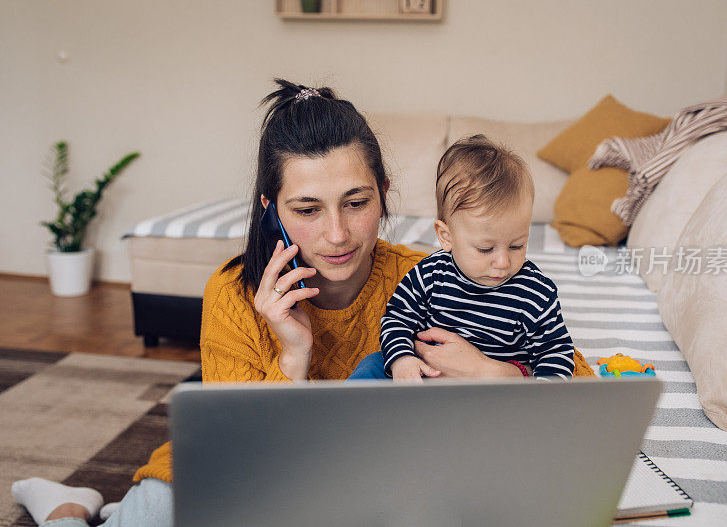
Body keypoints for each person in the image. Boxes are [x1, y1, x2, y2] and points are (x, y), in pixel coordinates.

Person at [11, 80, 594, 526]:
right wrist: (292, 356)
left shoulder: (435, 276)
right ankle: (69, 506)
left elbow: (585, 388)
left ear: (384, 194)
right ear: (273, 207)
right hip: (234, 474)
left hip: (371, 486)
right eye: (307, 209)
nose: (337, 234)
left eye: (356, 202)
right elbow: (240, 454)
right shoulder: (235, 293)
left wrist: (495, 372)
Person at [349, 135, 576, 382]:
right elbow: (396, 319)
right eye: (485, 249)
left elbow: (556, 354)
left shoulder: (535, 292)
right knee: (374, 362)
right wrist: (403, 360)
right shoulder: (429, 275)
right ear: (446, 237)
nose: (503, 262)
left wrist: (539, 397)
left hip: (492, 392)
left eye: (517, 245)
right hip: (425, 377)